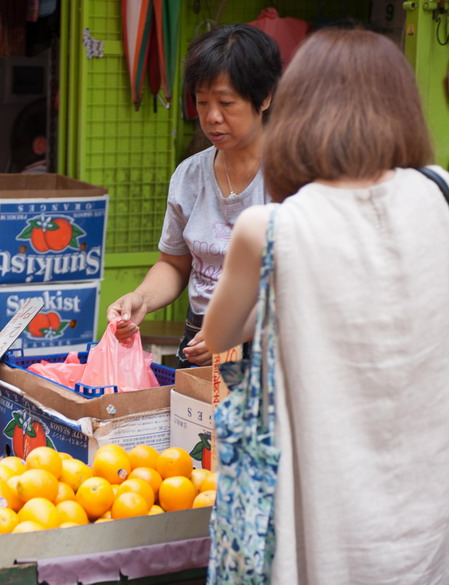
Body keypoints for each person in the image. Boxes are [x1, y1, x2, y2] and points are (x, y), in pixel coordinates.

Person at [203, 28, 449, 584]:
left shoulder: (270, 228)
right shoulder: (440, 192)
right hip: (428, 501)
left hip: (323, 511)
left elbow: (219, 335)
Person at [107, 24, 282, 367]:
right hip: (198, 339)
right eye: (202, 102)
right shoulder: (189, 174)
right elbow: (173, 264)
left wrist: (237, 331)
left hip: (268, 346)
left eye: (226, 103)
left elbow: (301, 284)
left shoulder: (292, 177)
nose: (212, 117)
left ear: (264, 98)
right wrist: (141, 298)